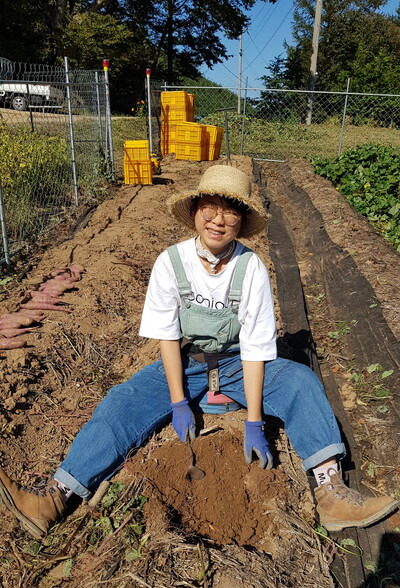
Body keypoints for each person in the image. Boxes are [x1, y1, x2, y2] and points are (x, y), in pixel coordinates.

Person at [0, 165, 397, 539]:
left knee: (301, 383)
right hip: (186, 362)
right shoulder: (170, 264)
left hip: (239, 363)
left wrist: (255, 422)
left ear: (241, 220)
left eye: (230, 211)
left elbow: (258, 347)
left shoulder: (252, 268)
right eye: (209, 207)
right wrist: (178, 401)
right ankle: (55, 496)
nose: (218, 219)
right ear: (194, 211)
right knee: (123, 402)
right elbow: (168, 338)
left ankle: (331, 492)